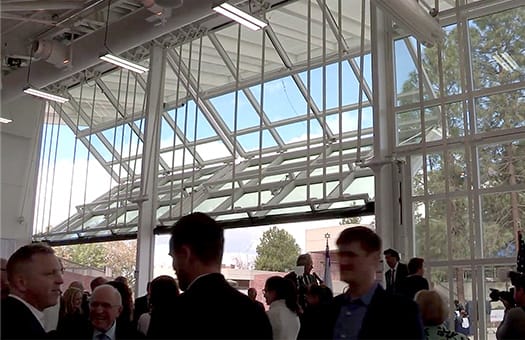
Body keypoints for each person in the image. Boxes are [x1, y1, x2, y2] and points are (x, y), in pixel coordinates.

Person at [160, 212, 272, 339]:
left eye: (173, 257)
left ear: (186, 254)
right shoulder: (254, 313)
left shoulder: (169, 315)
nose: (174, 266)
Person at [333, 226, 424, 339]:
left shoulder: (403, 312)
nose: (343, 262)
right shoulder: (326, 311)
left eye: (351, 255)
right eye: (341, 255)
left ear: (374, 259)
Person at [1, 243, 64, 339]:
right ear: (21, 283)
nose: (60, 281)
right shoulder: (14, 326)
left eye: (60, 272)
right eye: (50, 273)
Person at [496, 271, 525, 339]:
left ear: (521, 291)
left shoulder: (516, 313)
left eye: (515, 289)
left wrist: (508, 310)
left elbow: (500, 336)